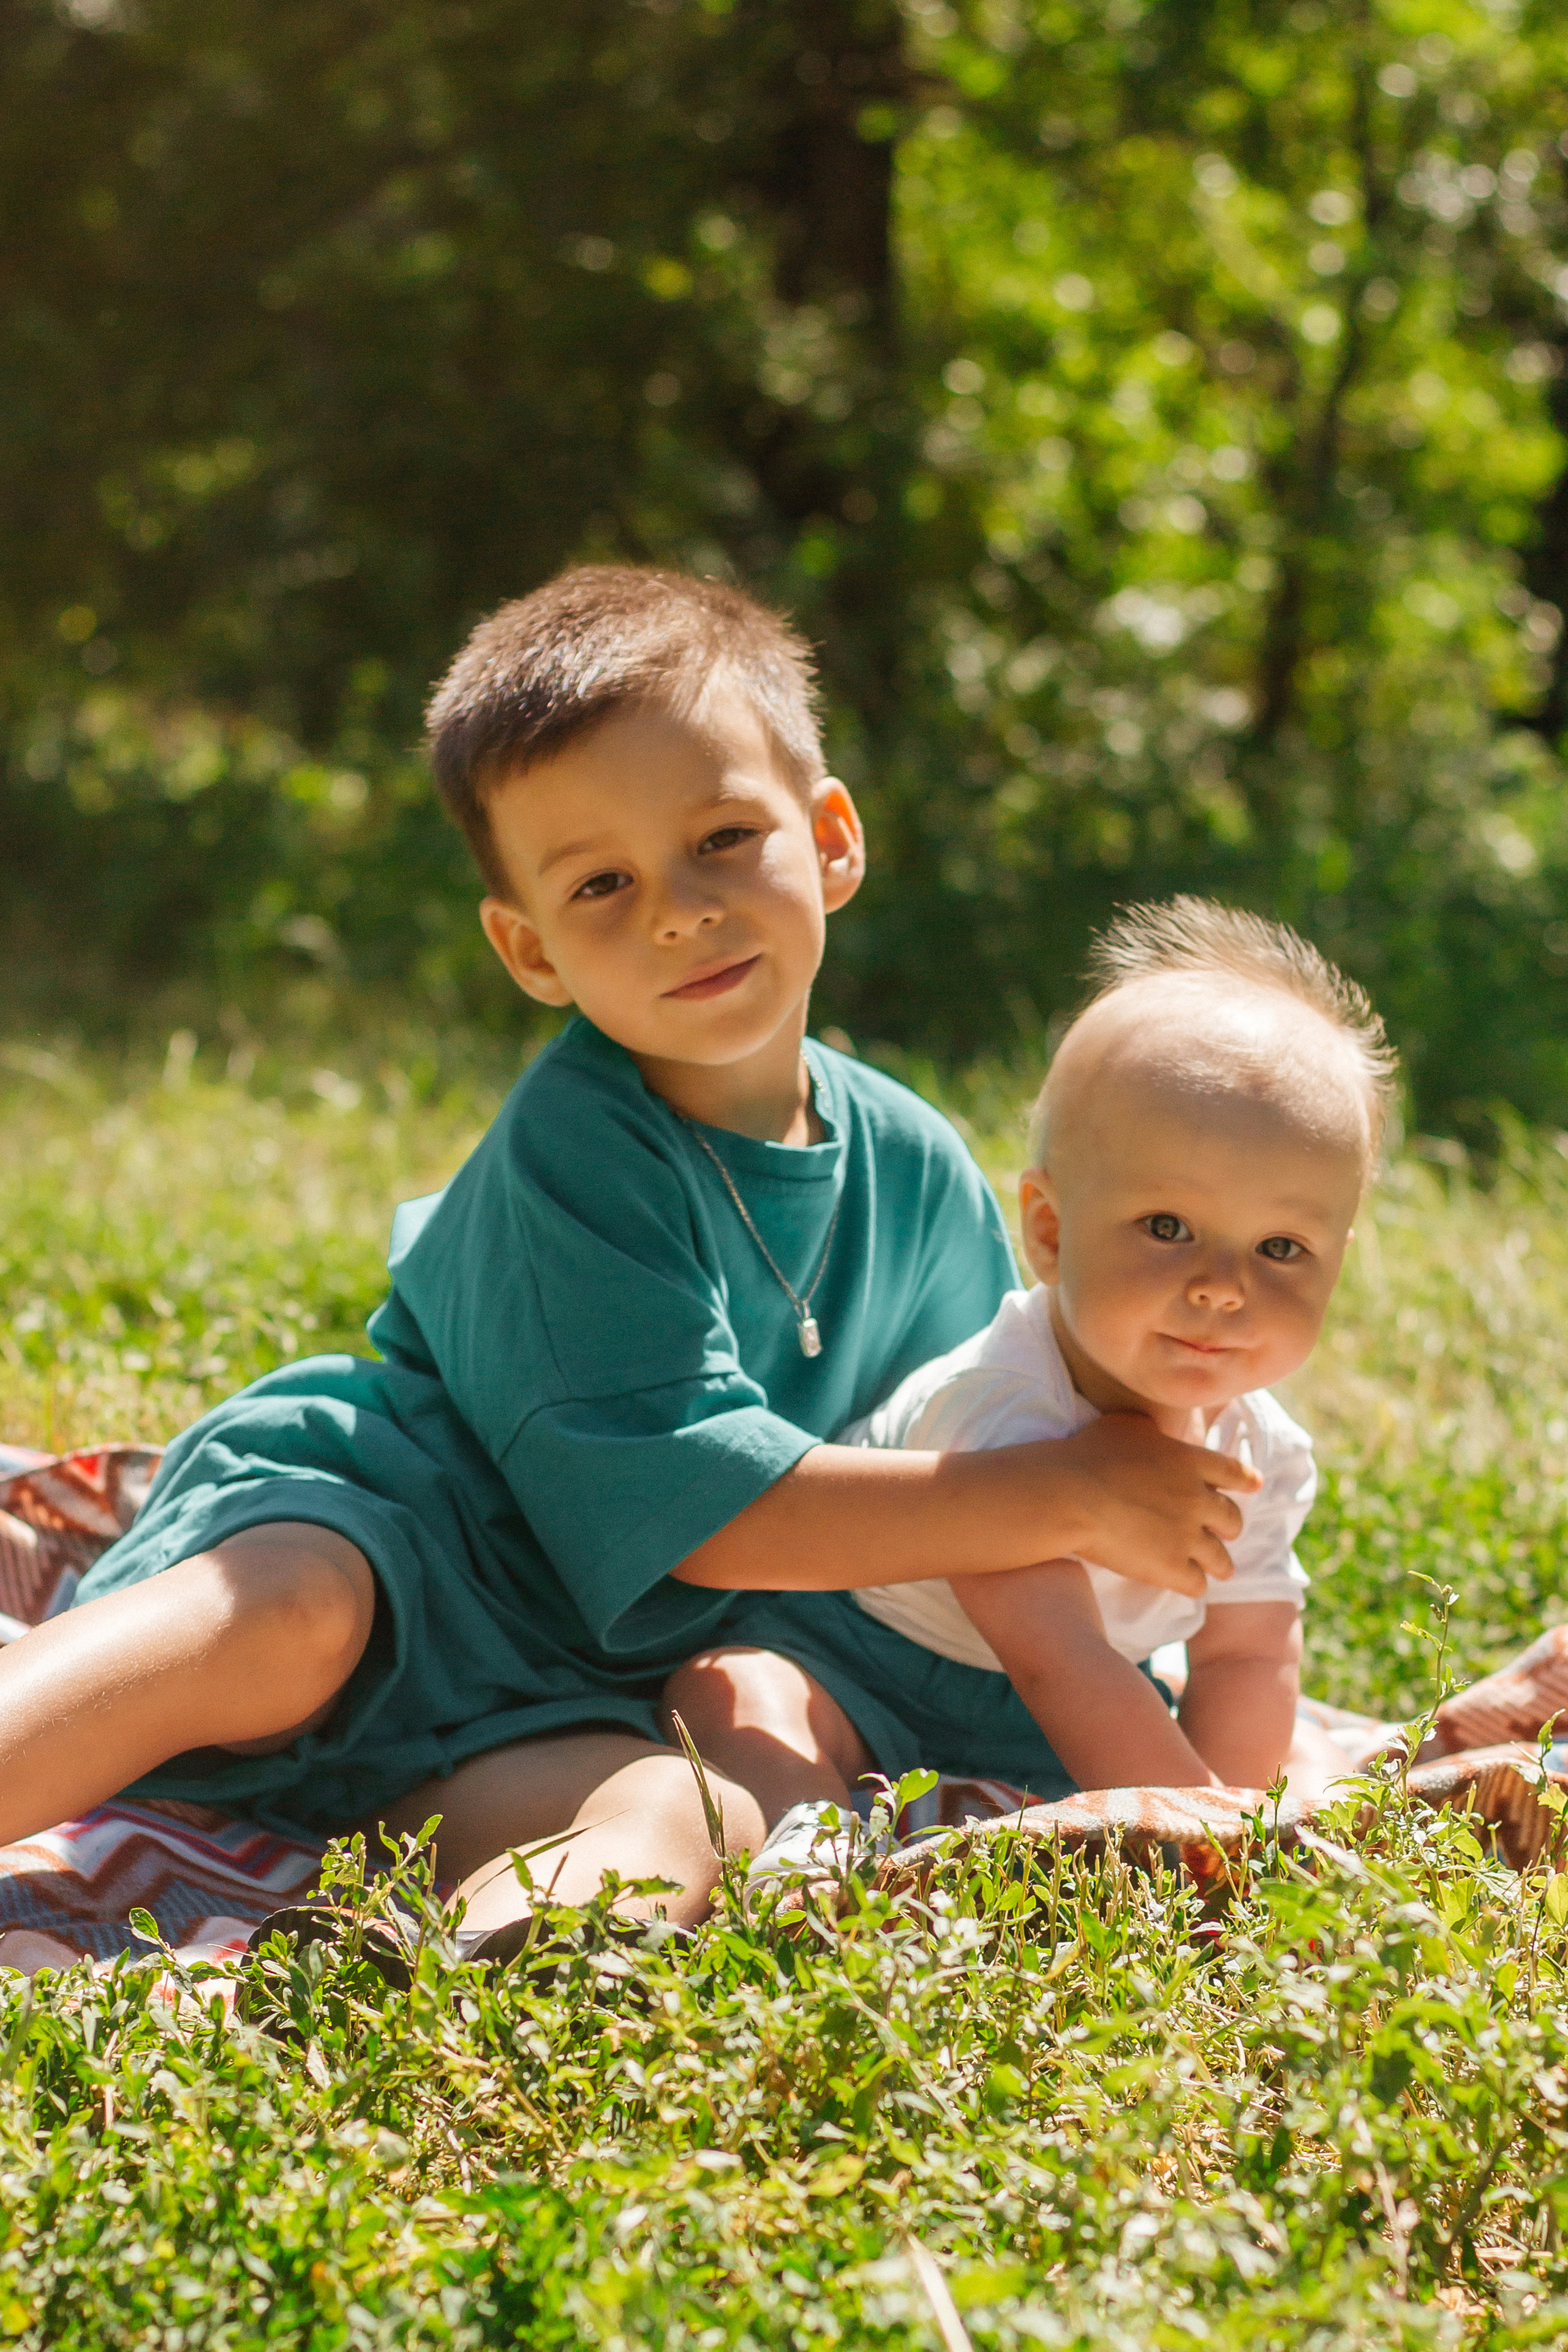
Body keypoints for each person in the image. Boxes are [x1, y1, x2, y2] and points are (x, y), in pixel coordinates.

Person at [1, 570, 1258, 1944]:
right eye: (602, 883)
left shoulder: (913, 1165)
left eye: (722, 837)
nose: (677, 910)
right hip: (408, 1551)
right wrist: (1061, 1493)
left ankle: (502, 1979)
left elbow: (956, 1468)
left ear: (830, 838)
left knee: (687, 1813)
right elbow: (727, 1509)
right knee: (287, 1614)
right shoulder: (581, 1147)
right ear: (528, 950)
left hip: (582, 1688)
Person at [667, 898, 1395, 1823]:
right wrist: (1198, 1834)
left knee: (1299, 1751)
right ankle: (814, 1868)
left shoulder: (1263, 1451)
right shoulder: (1002, 1402)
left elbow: (1246, 1654)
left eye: (1281, 1249)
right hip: (865, 1666)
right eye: (1168, 1229)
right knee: (734, 1693)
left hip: (1077, 1714)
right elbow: (1060, 1658)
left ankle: (1287, 1845)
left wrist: (1244, 1814)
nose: (1222, 1287)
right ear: (1050, 1232)